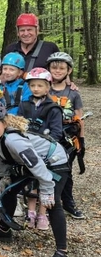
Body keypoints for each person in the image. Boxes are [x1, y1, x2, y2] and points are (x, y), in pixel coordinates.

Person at [0, 99, 71, 257]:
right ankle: (4, 230)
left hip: (54, 161)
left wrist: (47, 189)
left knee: (52, 203)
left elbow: (37, 165)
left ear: (4, 122)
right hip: (28, 163)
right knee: (8, 192)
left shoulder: (14, 140)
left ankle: (62, 251)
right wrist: (6, 177)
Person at [18, 68, 64, 230]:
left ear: (48, 87)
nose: (36, 89)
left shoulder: (53, 108)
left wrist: (45, 145)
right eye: (32, 85)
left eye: (40, 85)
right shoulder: (24, 104)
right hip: (28, 147)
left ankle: (42, 213)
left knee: (44, 179)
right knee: (31, 180)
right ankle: (30, 212)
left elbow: (57, 132)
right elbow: (19, 124)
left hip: (45, 150)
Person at [47, 52, 86, 219]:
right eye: (54, 67)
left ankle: (68, 202)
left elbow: (80, 118)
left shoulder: (73, 93)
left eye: (61, 68)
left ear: (68, 70)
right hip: (48, 136)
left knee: (66, 170)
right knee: (47, 169)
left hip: (69, 137)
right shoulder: (44, 88)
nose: (57, 71)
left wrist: (81, 141)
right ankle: (48, 203)